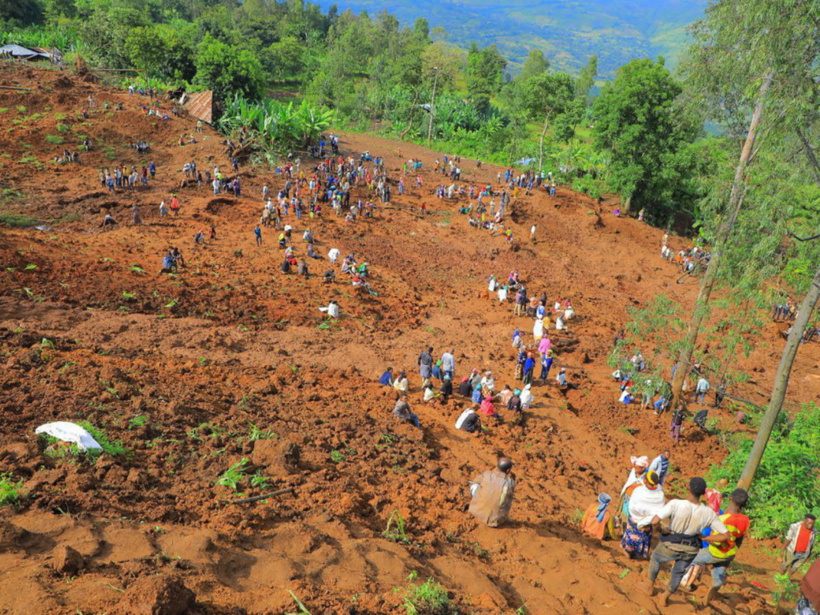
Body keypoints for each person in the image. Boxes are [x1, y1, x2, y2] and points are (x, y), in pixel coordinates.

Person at [647, 477, 730, 607]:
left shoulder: (676, 504)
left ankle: (649, 586)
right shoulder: (709, 512)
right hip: (691, 548)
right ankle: (665, 596)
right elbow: (725, 535)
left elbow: (654, 521)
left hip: (671, 543)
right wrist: (705, 537)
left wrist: (661, 530)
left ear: (688, 488)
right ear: (703, 494)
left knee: (656, 558)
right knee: (678, 572)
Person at [681, 488, 750, 606]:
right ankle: (709, 597)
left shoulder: (723, 519)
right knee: (718, 578)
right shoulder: (745, 520)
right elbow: (740, 538)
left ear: (731, 499)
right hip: (729, 554)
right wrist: (734, 550)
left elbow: (718, 542)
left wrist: (703, 537)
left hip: (715, 552)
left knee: (688, 558)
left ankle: (673, 584)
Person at [622, 470, 665, 559]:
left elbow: (632, 507)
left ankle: (629, 551)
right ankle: (640, 552)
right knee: (644, 537)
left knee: (632, 535)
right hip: (647, 523)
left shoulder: (638, 491)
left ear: (645, 481)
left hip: (635, 519)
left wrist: (638, 517)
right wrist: (646, 519)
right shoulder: (660, 495)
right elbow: (659, 511)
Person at [468, 457, 516, 527]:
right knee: (508, 497)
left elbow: (475, 482)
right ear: (508, 470)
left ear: (497, 466)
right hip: (496, 521)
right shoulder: (510, 482)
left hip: (475, 512)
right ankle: (502, 517)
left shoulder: (487, 474)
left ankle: (477, 506)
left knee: (476, 485)